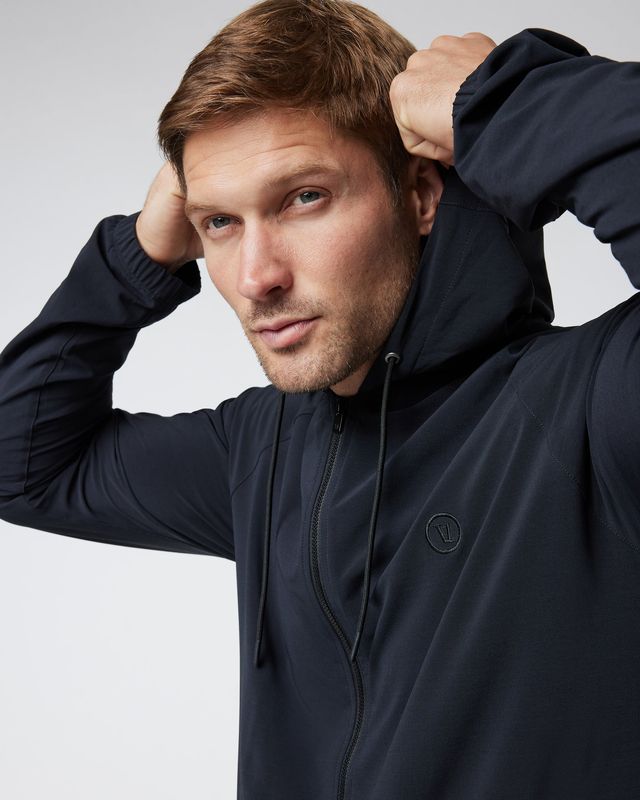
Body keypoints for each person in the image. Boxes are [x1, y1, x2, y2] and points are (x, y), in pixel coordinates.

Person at [1, 0, 639, 797]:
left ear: (421, 194)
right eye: (220, 222)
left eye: (303, 197)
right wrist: (140, 251)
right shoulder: (261, 451)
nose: (256, 276)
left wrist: (509, 102)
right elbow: (21, 462)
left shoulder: (594, 408)